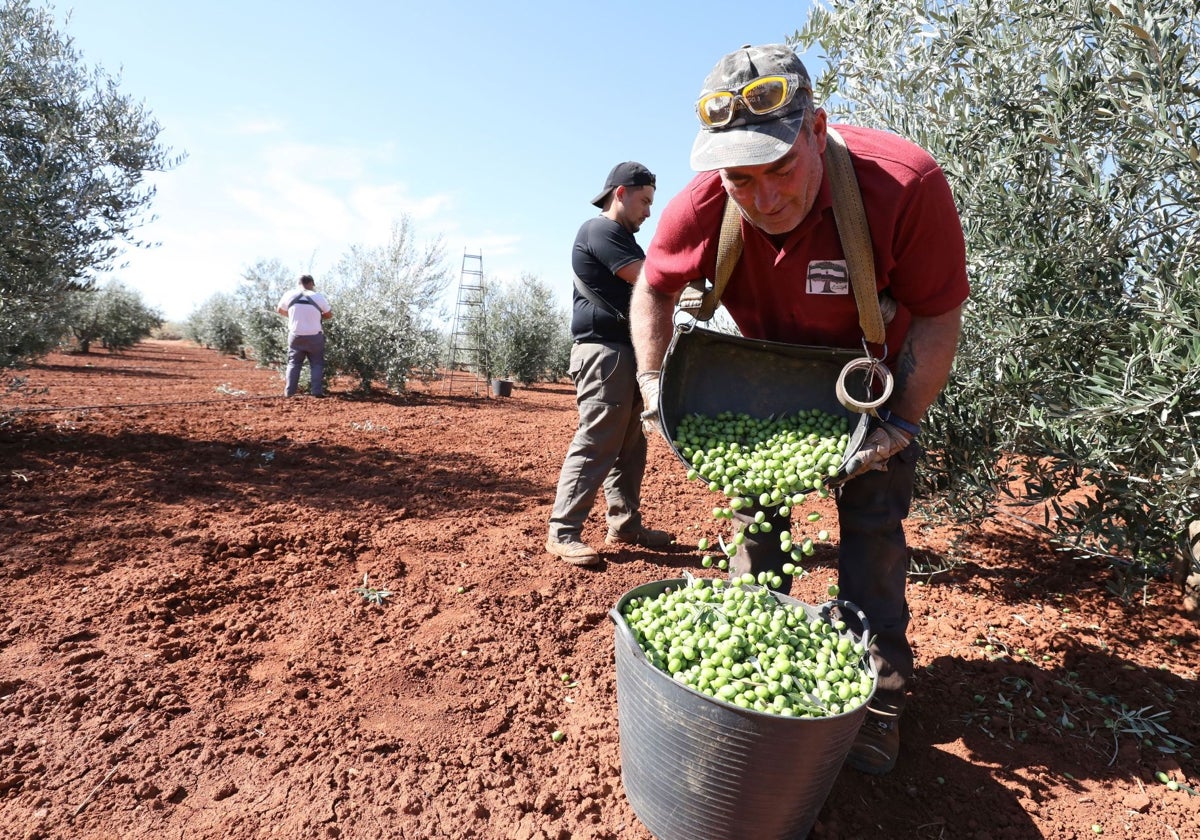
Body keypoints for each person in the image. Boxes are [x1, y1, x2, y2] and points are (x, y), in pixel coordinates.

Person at [631, 44, 969, 775]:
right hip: (763, 396)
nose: (761, 197)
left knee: (872, 537)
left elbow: (939, 315)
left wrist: (902, 422)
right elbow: (653, 287)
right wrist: (653, 386)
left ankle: (878, 702)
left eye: (779, 169)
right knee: (757, 532)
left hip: (866, 390)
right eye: (739, 178)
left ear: (816, 129)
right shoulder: (706, 202)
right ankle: (752, 670)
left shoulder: (903, 185)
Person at [546, 162, 675, 567]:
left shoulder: (622, 237)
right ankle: (563, 531)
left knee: (630, 446)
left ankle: (624, 523)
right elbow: (647, 279)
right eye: (645, 201)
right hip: (604, 354)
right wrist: (689, 280)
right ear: (620, 193)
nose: (649, 212)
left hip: (626, 354)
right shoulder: (600, 230)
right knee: (599, 438)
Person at [276, 274, 333, 397]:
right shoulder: (318, 297)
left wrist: (292, 316)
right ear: (311, 283)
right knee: (317, 364)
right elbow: (329, 315)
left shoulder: (289, 294)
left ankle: (289, 393)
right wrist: (318, 317)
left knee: (293, 364)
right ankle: (317, 392)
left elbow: (279, 310)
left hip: (296, 336)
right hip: (315, 337)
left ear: (298, 283)